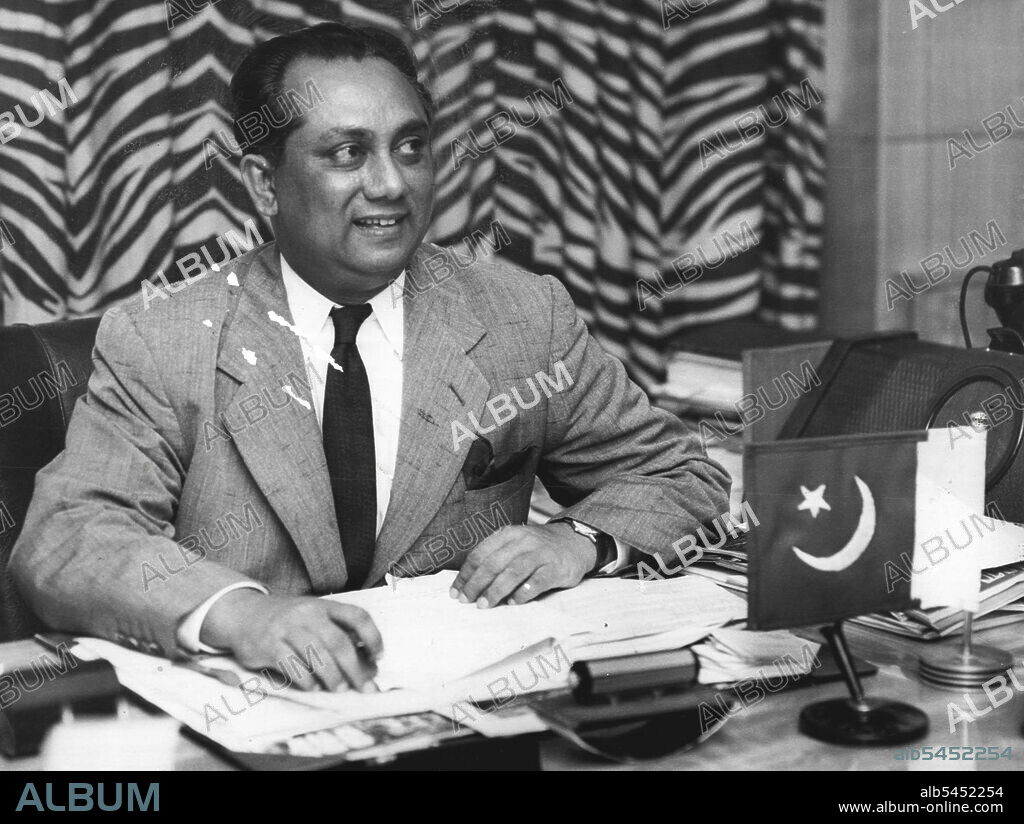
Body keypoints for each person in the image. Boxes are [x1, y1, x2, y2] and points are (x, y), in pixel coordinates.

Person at [11, 22, 730, 693]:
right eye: (347, 153)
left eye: (410, 147)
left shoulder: (522, 315)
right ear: (263, 184)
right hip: (256, 713)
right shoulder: (163, 337)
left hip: (475, 704)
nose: (390, 184)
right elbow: (70, 538)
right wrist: (240, 614)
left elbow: (678, 473)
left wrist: (580, 540)